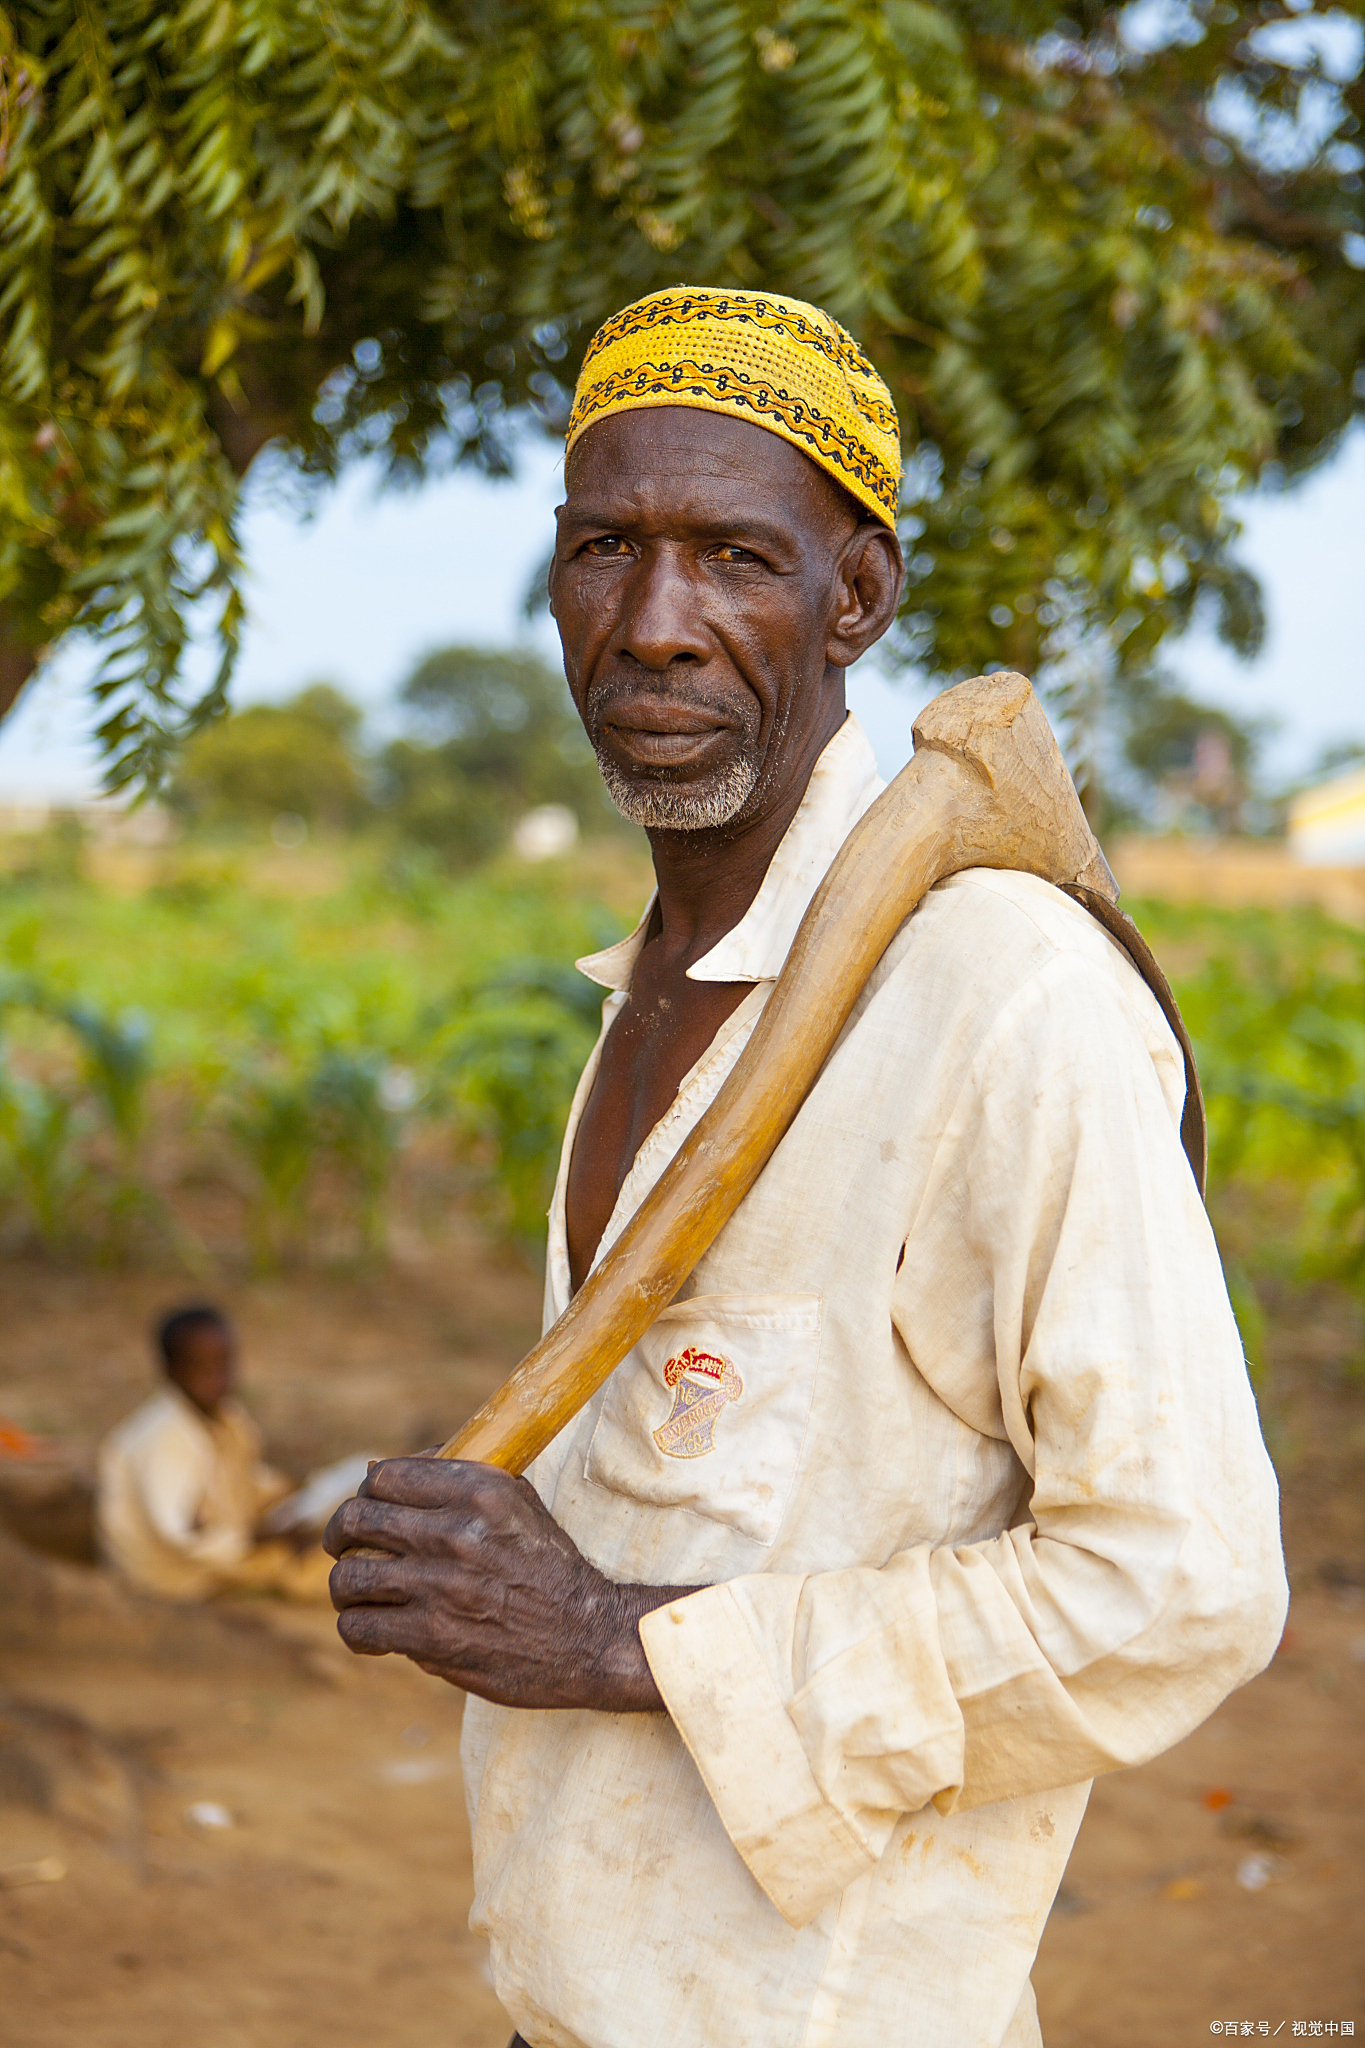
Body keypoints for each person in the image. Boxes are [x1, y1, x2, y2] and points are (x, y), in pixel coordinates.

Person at [325, 287, 1288, 2048]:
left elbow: (1186, 1580)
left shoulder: (1008, 995)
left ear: (859, 597)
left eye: (737, 560)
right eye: (609, 547)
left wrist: (610, 1633)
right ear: (553, 579)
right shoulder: (645, 992)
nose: (660, 625)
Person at [97, 1303, 338, 1602]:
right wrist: (259, 1540)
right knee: (322, 1569)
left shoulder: (228, 1421)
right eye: (201, 1367)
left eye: (224, 1363)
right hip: (169, 1580)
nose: (218, 1377)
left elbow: (243, 1482)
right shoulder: (164, 1438)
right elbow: (181, 1536)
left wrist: (291, 1496)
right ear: (171, 1369)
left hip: (219, 1556)